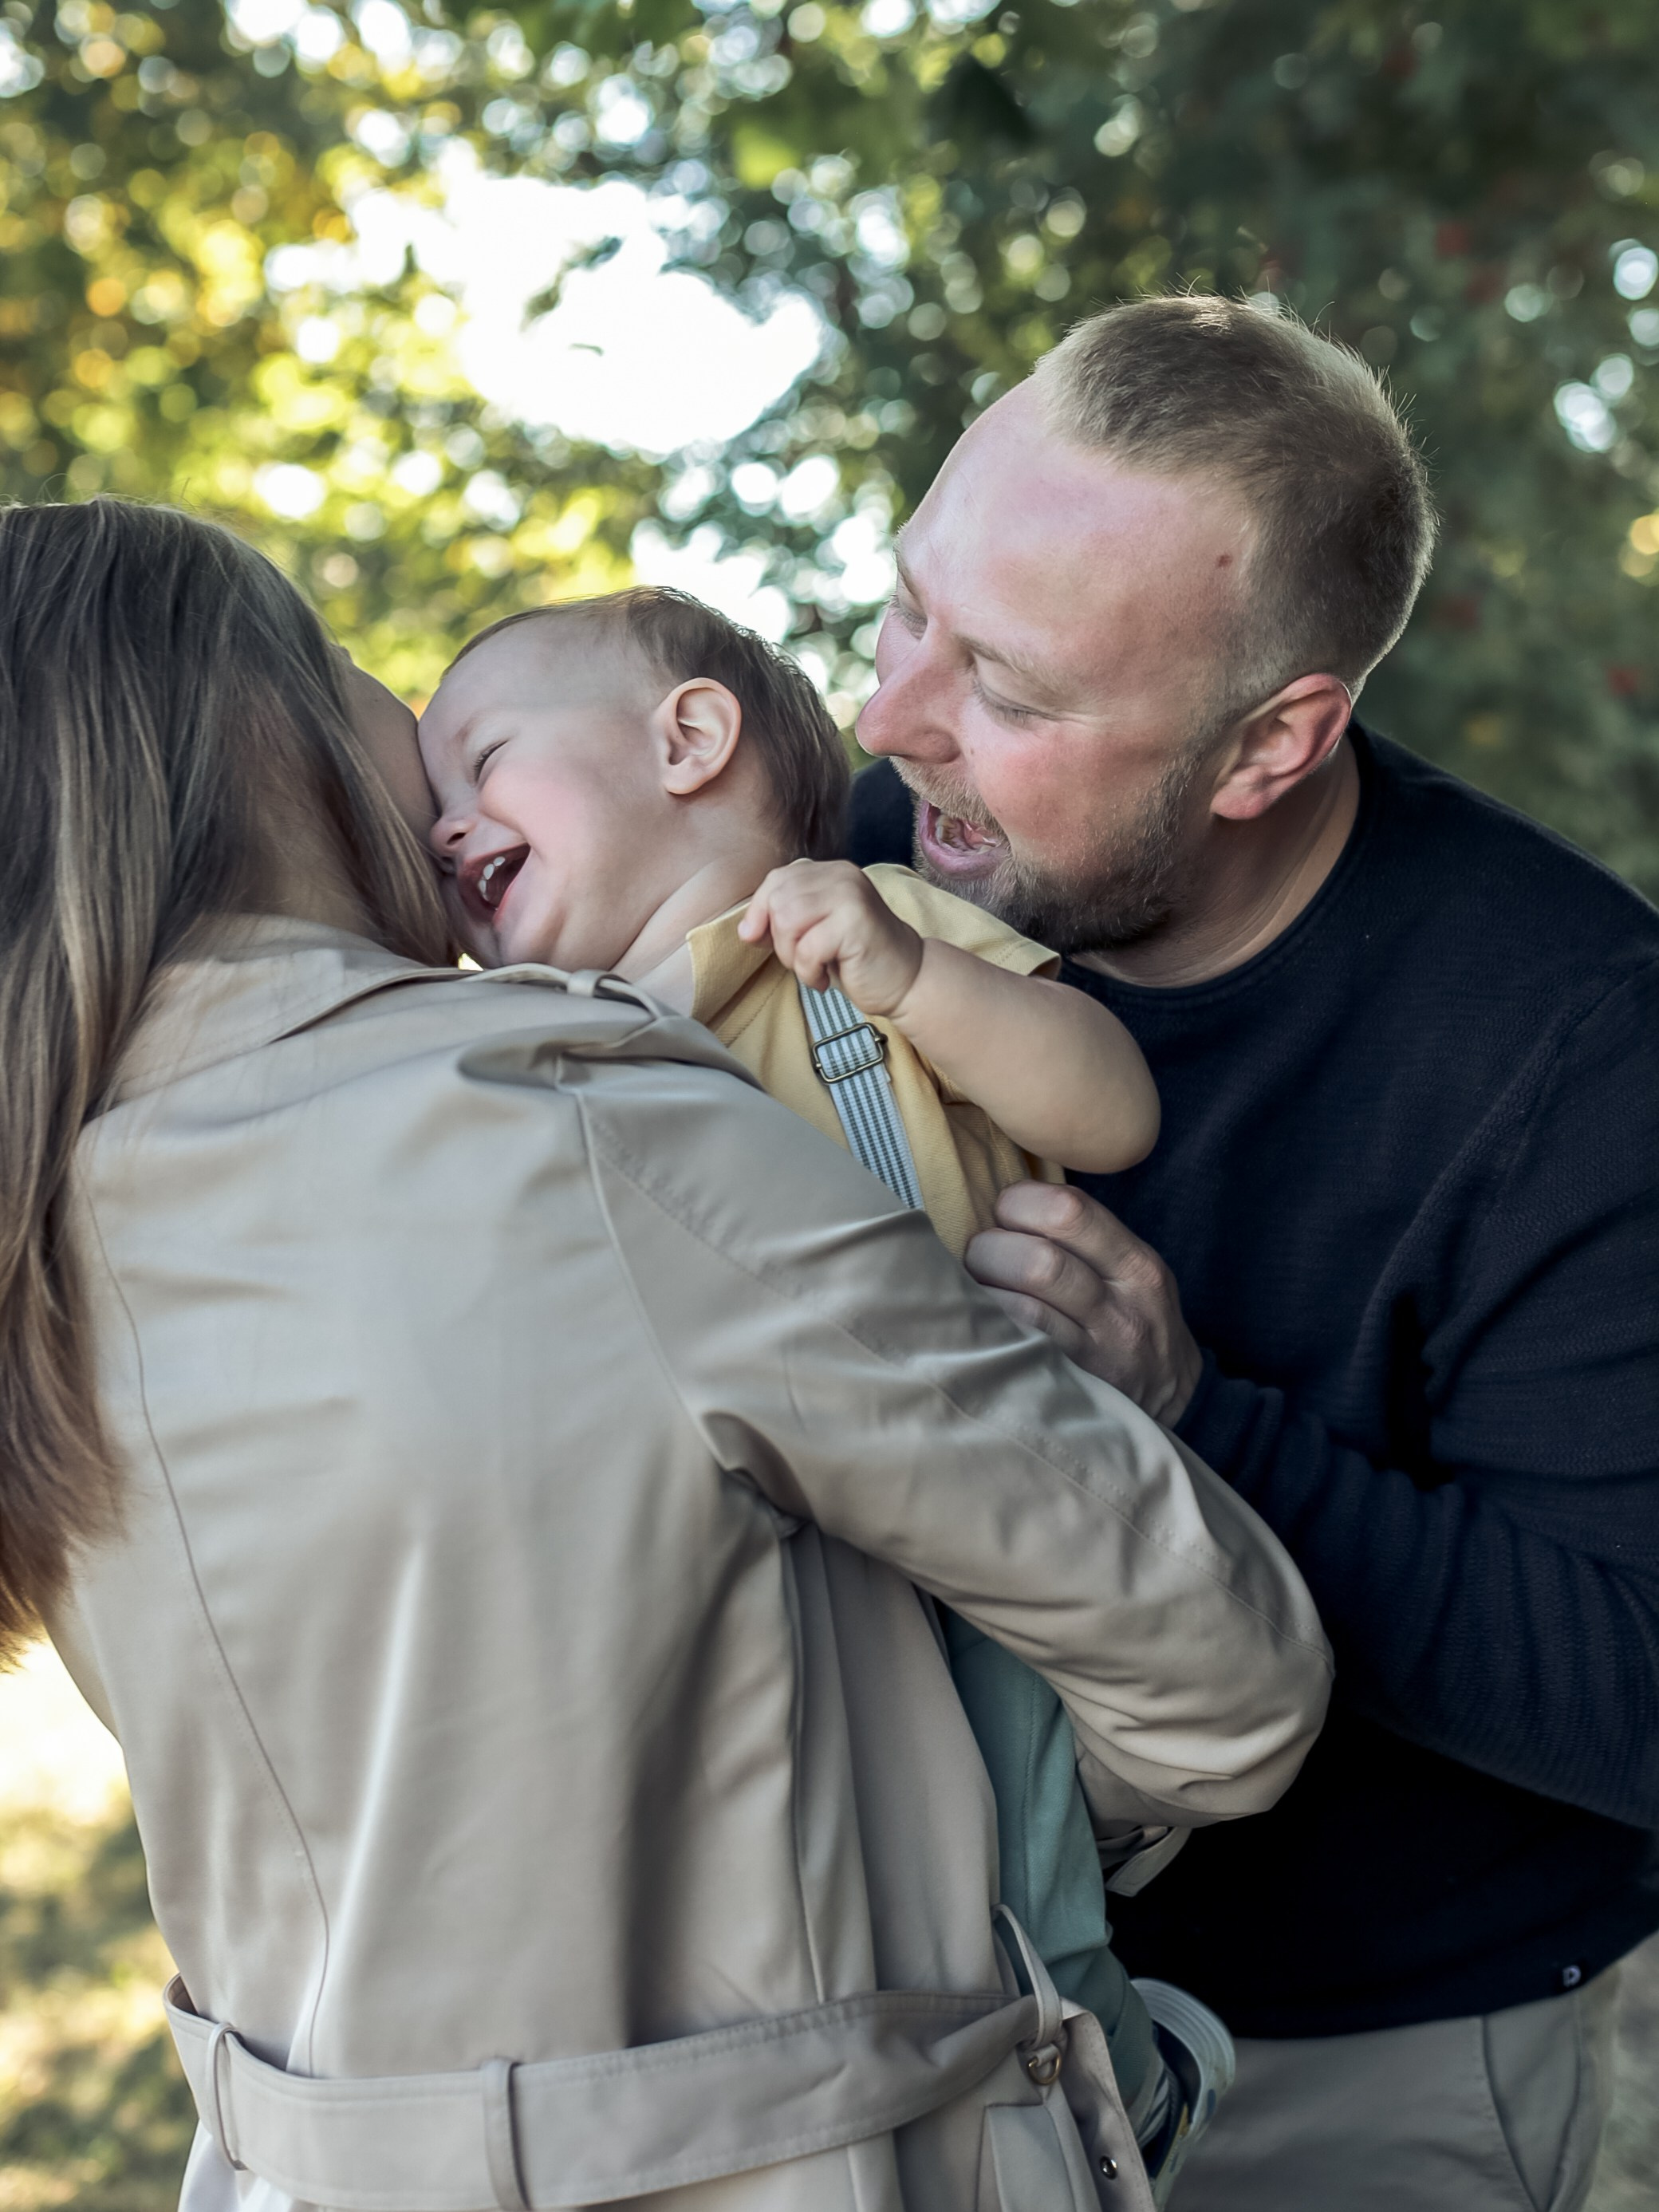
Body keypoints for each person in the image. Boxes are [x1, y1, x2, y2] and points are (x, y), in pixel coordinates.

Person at [6, 495, 1334, 2212]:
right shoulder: (567, 1121)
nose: (421, 751)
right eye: (348, 663)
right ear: (257, 728)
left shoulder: (52, 1232)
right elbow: (1226, 1673)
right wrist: (978, 1779)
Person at [848, 292, 1659, 2212]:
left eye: (1010, 692)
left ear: (1269, 743)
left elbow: (1630, 1693)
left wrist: (1193, 1413)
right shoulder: (883, 845)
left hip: (1354, 2050)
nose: (889, 720)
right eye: (903, 610)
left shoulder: (1572, 1046)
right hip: (911, 1995)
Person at [419, 587, 1229, 2195]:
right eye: (431, 806)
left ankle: (1117, 2094)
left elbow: (1112, 1107)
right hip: (749, 1576)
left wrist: (914, 981)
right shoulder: (547, 1048)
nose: (445, 829)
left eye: (482, 766)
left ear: (688, 739)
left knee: (1017, 1868)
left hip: (970, 1535)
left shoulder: (870, 930)